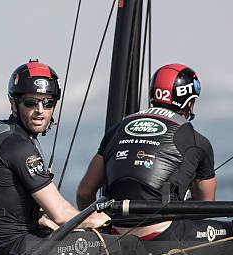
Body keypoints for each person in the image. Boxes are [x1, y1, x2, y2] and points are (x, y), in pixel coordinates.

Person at [0, 59, 109, 255]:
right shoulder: (18, 146)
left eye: (48, 103)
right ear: (14, 104)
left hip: (2, 240)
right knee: (111, 244)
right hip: (14, 245)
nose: (40, 110)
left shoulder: (3, 132)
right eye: (31, 102)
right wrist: (103, 219)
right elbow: (60, 213)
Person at [77, 63, 217, 241]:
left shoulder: (117, 129)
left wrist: (99, 225)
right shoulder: (198, 141)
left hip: (114, 236)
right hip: (163, 235)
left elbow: (84, 193)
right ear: (190, 102)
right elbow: (206, 207)